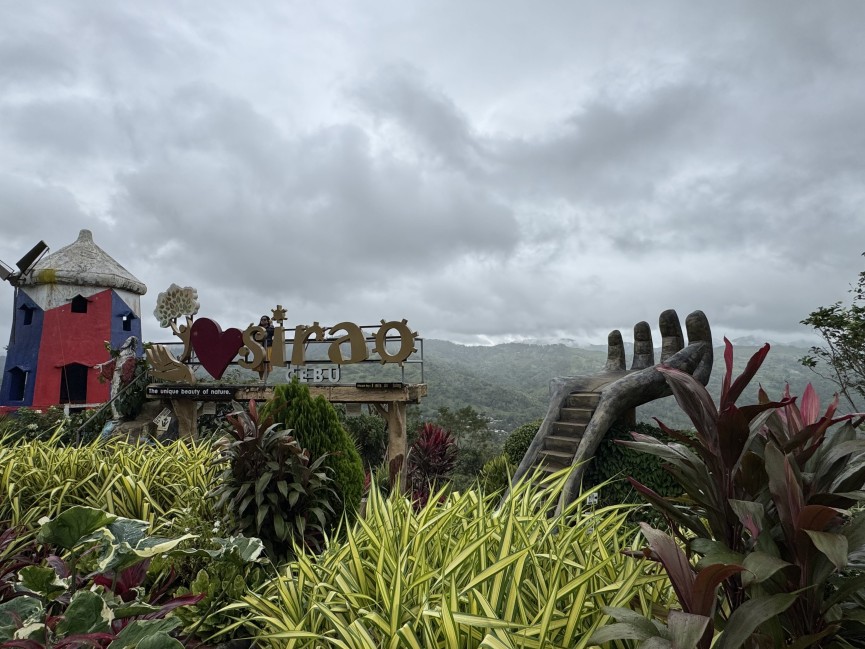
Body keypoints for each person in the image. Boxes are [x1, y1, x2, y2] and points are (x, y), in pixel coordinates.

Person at [257, 315, 275, 380]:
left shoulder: (270, 328)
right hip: (259, 347)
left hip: (268, 347)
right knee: (260, 365)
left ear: (267, 321)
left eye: (264, 320)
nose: (263, 321)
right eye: (262, 320)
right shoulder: (258, 328)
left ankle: (265, 380)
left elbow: (272, 332)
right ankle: (261, 380)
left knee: (267, 364)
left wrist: (271, 324)